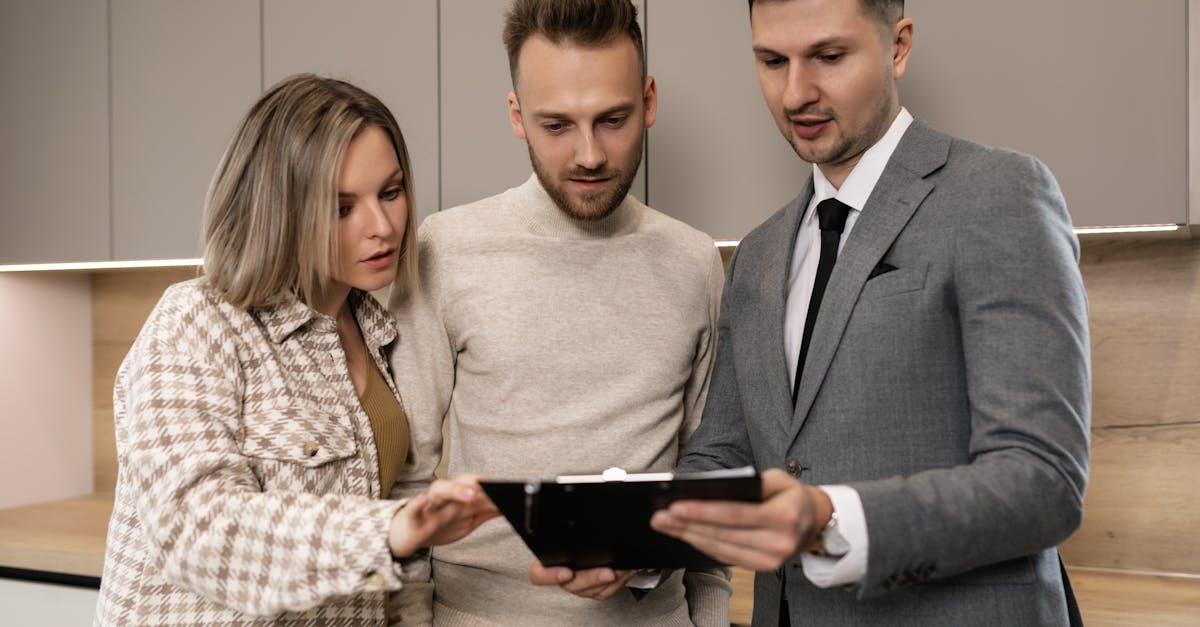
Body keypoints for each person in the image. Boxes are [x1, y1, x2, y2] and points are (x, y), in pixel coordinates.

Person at [649, 0, 1091, 625]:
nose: (796, 93)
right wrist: (627, 545)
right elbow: (722, 458)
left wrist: (829, 518)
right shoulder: (756, 253)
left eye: (828, 57)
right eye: (772, 61)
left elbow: (1044, 481)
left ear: (898, 45)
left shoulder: (999, 194)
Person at [95, 74, 497, 626]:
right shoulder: (197, 321)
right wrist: (387, 530)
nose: (382, 227)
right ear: (279, 210)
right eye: (341, 208)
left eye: (390, 192)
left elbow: (401, 537)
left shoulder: (378, 330)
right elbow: (196, 531)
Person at [386, 0, 729, 624]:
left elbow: (707, 473)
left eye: (613, 119)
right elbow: (407, 483)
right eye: (557, 125)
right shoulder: (445, 250)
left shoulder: (695, 262)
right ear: (517, 116)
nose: (589, 155)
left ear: (649, 101)